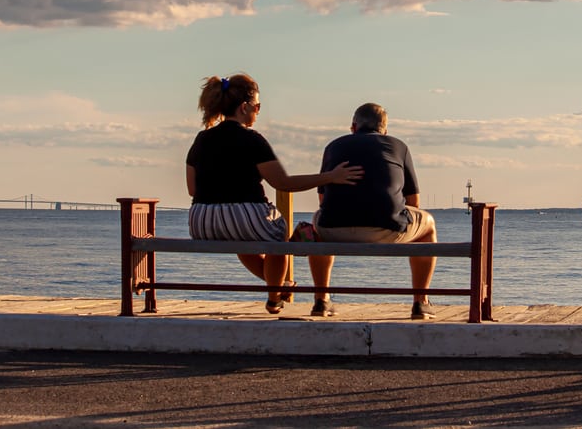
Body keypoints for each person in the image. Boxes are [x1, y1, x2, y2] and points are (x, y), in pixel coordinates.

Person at [186, 74, 363, 314]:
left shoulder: (202, 138)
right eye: (257, 106)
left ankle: (279, 288)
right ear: (244, 107)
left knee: (242, 238)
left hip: (201, 221)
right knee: (278, 235)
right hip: (243, 214)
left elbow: (192, 189)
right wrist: (330, 177)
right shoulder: (252, 139)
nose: (258, 112)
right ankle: (273, 298)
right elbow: (283, 183)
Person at [308, 102, 438, 320]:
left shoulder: (333, 146)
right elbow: (413, 201)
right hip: (387, 229)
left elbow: (323, 199)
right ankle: (420, 303)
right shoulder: (398, 146)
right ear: (385, 130)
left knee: (316, 222)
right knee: (429, 225)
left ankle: (321, 300)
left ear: (353, 126)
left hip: (333, 229)